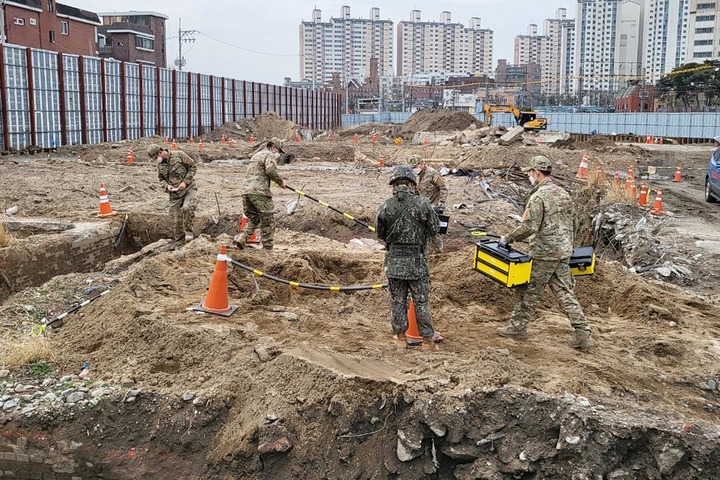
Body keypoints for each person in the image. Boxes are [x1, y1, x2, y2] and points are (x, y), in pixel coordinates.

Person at [496, 155, 594, 349]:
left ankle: (518, 327)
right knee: (565, 293)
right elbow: (573, 223)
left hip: (544, 253)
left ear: (537, 173)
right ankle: (583, 335)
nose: (529, 176)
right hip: (563, 251)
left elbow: (529, 226)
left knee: (528, 290)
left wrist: (507, 238)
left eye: (530, 172)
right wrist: (567, 243)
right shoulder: (563, 193)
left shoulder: (538, 197)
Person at [376, 165, 443, 349]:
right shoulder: (423, 204)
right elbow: (434, 230)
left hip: (394, 264)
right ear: (412, 184)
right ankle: (428, 342)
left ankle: (400, 340)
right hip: (417, 265)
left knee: (397, 302)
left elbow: (380, 234)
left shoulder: (385, 207)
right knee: (421, 302)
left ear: (394, 185)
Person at [234, 138, 291, 251]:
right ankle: (268, 249)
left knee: (254, 218)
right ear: (274, 147)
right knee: (268, 221)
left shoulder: (256, 156)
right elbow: (270, 171)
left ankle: (242, 237)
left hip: (246, 192)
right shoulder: (270, 155)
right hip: (260, 192)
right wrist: (280, 182)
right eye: (279, 151)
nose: (279, 154)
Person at [150, 143, 198, 245]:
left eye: (156, 157)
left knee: (187, 208)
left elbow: (193, 167)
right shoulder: (160, 165)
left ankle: (189, 232)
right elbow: (161, 179)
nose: (156, 159)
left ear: (160, 152)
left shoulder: (179, 155)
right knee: (177, 220)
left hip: (189, 189)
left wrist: (185, 182)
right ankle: (179, 244)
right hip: (175, 195)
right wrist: (167, 186)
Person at [409, 154, 448, 253]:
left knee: (434, 231)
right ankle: (423, 252)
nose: (414, 169)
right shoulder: (415, 176)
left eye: (415, 167)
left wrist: (441, 204)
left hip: (434, 206)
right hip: (422, 207)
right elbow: (417, 191)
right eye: (412, 167)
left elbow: (443, 188)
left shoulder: (432, 173)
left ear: (421, 163)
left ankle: (438, 253)